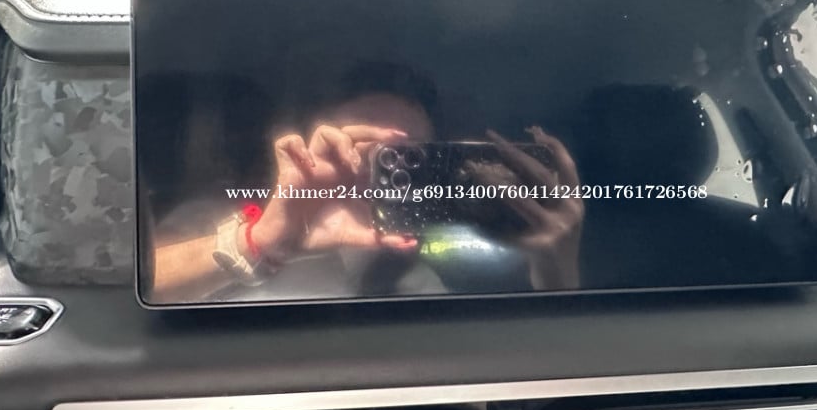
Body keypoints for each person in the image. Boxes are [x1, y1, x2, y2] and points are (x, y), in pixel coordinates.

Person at [149, 63, 584, 302]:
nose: (373, 172)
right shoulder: (220, 219)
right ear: (314, 146)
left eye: (405, 159)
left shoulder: (417, 280)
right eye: (359, 146)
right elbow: (137, 299)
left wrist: (556, 272)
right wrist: (260, 243)